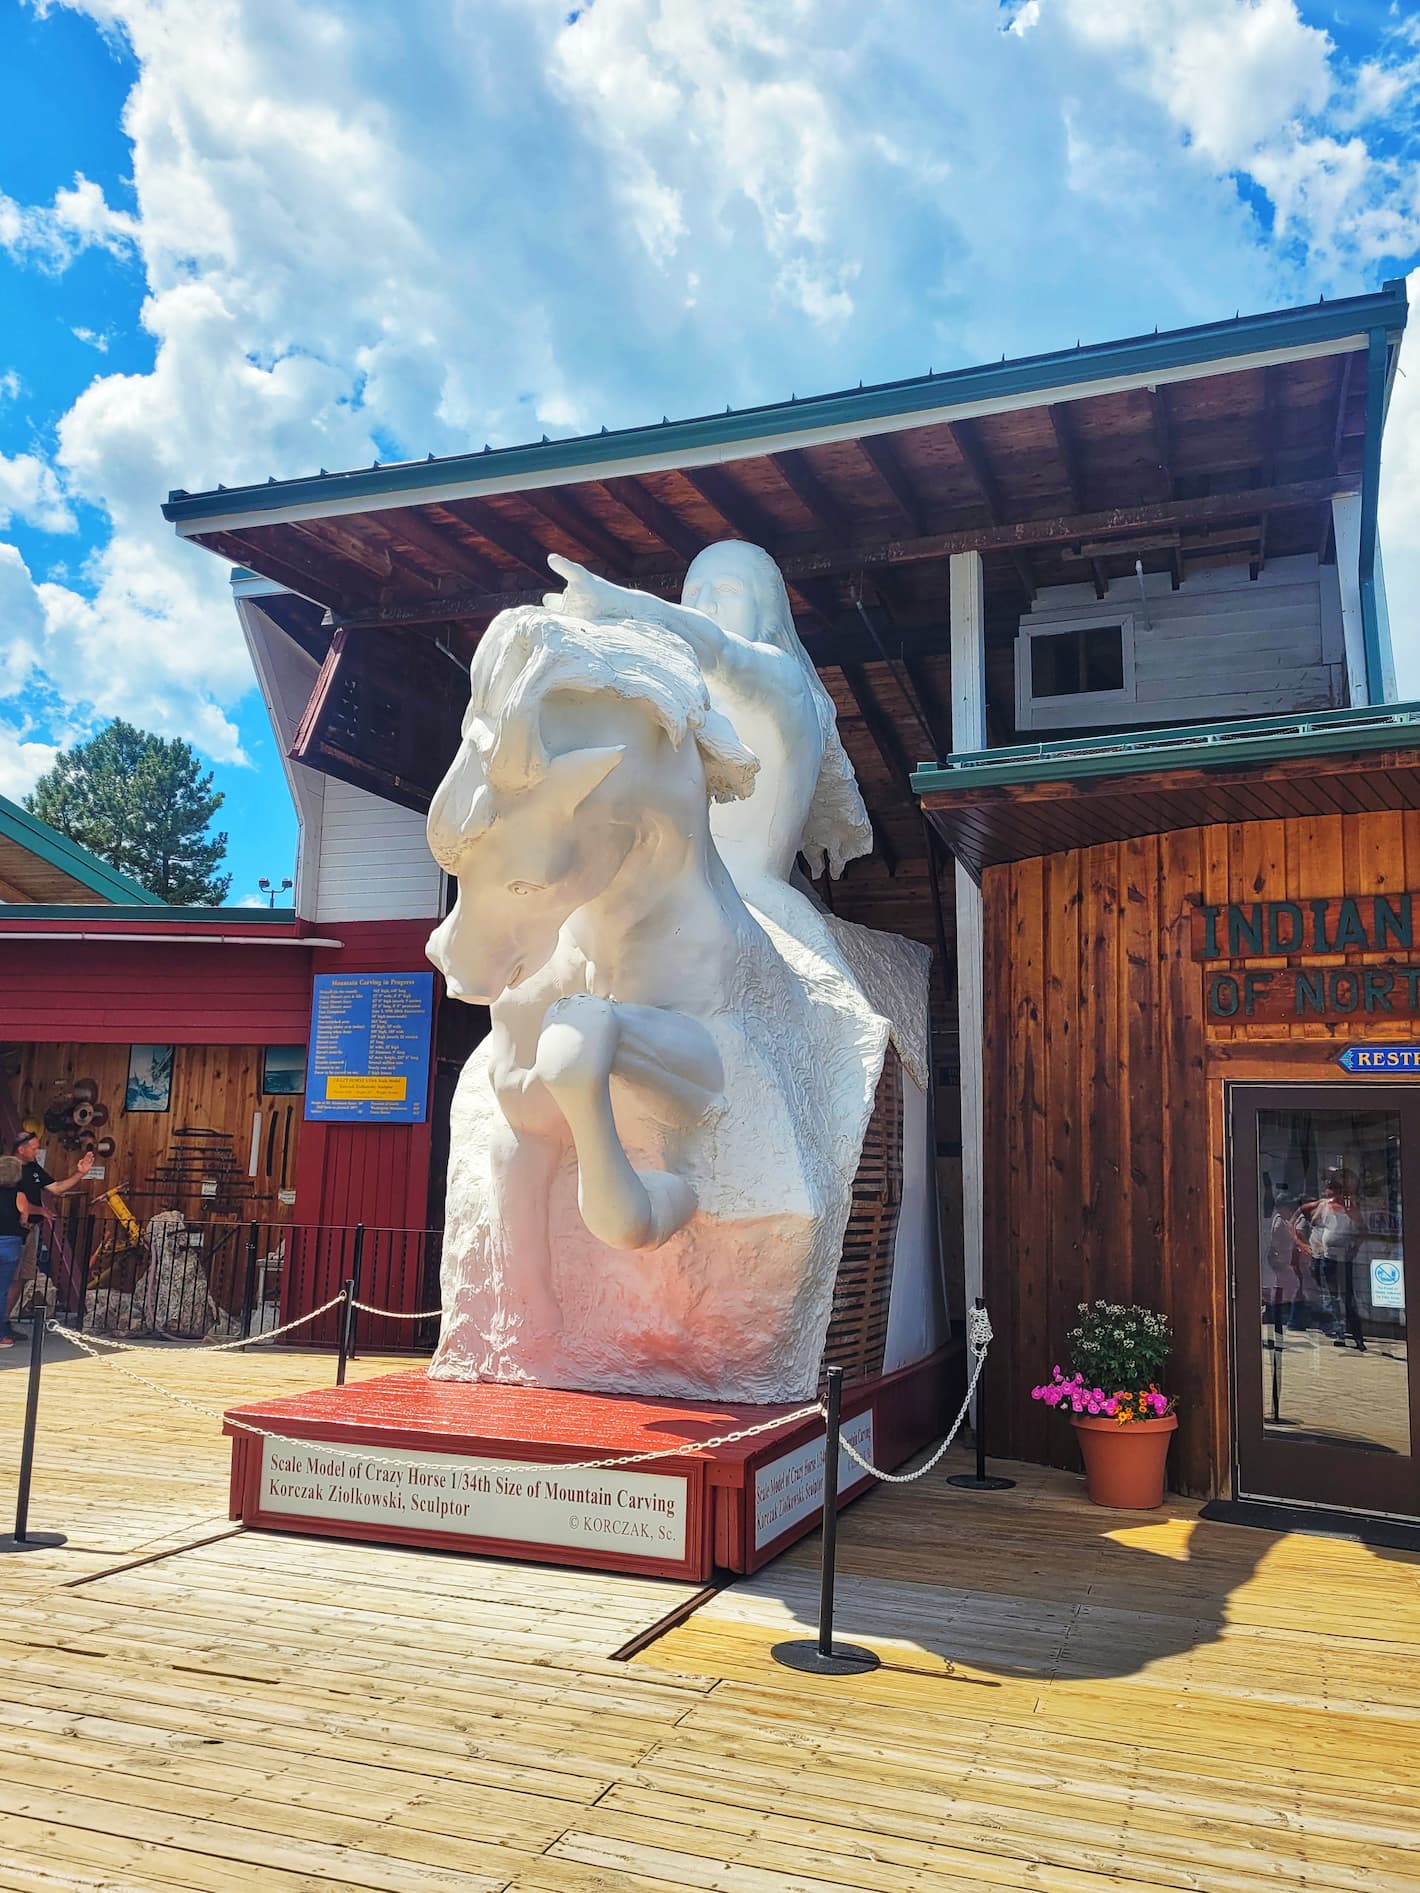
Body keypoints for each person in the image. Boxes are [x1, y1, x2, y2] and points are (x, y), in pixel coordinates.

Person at [9, 1133, 92, 1329]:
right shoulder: (8, 1168)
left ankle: (4, 1322)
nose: (37, 1152)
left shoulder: (34, 1168)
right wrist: (39, 1210)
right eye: (33, 1148)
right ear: (21, 1149)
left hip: (32, 1228)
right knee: (10, 1275)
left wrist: (81, 1173)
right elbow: (13, 1199)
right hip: (13, 1227)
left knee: (23, 1276)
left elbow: (56, 1188)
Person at [0, 1154, 28, 1348]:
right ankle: (1, 1335)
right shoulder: (20, 1196)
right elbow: (23, 1220)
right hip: (10, 1243)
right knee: (2, 1291)